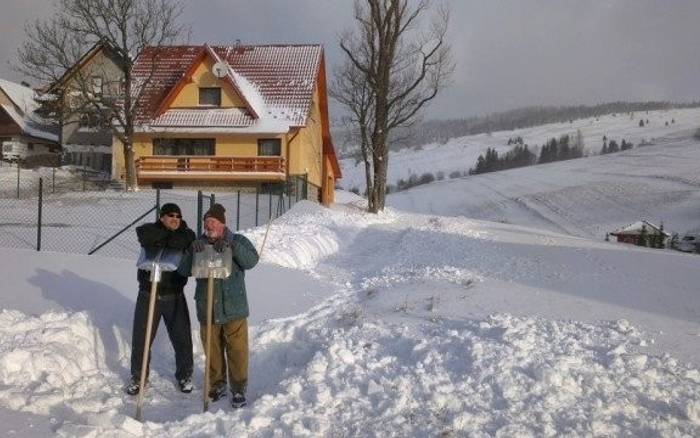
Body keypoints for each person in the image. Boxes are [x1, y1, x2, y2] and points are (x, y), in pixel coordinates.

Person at [184, 203, 259, 408]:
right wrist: (192, 252)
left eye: (213, 223)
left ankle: (238, 389)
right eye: (206, 223)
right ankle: (217, 385)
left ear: (223, 225)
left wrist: (231, 245)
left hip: (233, 306)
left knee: (237, 350)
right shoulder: (198, 244)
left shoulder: (237, 240)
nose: (209, 227)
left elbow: (252, 260)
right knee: (213, 350)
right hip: (207, 307)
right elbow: (183, 270)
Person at [126, 203, 196, 395]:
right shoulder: (150, 230)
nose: (175, 219)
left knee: (182, 337)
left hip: (174, 295)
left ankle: (185, 375)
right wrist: (169, 239)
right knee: (142, 338)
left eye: (178, 216)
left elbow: (186, 240)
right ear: (162, 217)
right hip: (148, 295)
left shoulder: (187, 234)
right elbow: (144, 234)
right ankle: (138, 377)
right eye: (171, 215)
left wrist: (163, 241)